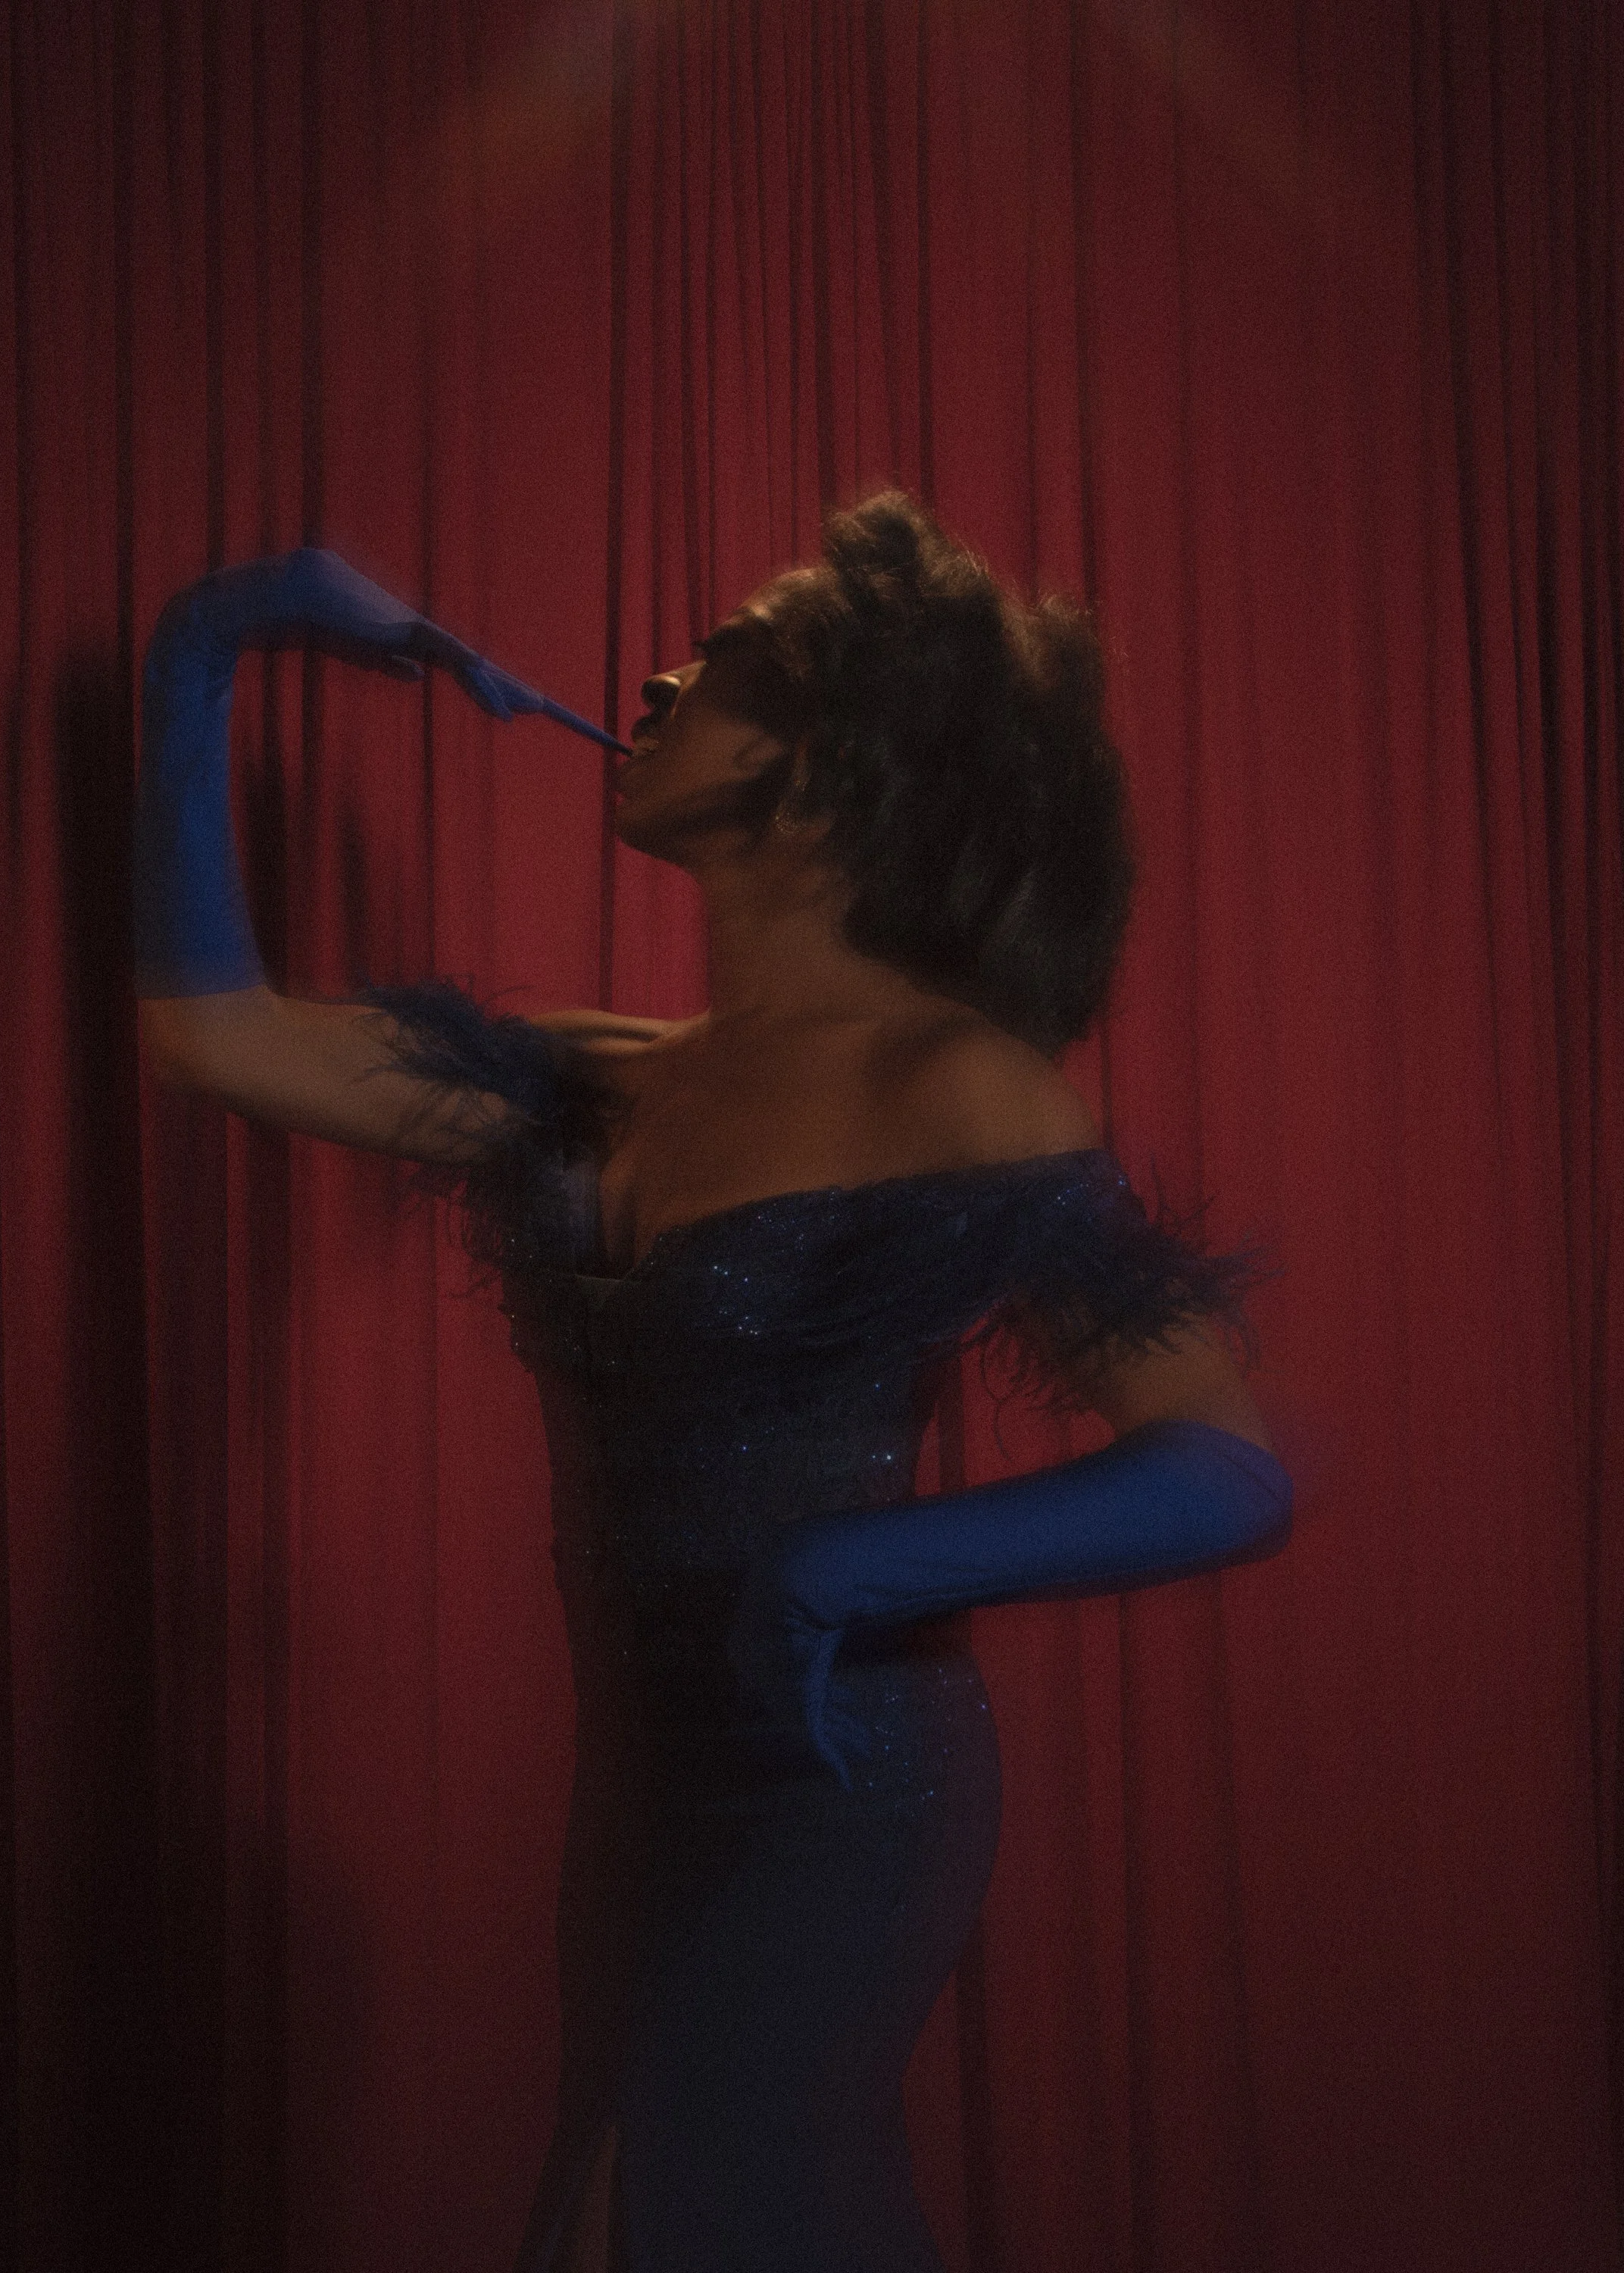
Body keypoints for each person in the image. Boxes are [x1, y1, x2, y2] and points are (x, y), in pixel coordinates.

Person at [133, 497, 1291, 2273]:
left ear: (826, 773)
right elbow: (220, 1036)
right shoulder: (596, 1080)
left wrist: (842, 1570)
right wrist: (207, 647)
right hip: (644, 1788)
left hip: (842, 1785)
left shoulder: (956, 1080)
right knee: (734, 2211)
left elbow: (1221, 1468)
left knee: (670, 2208)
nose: (652, 681)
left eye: (712, 667)